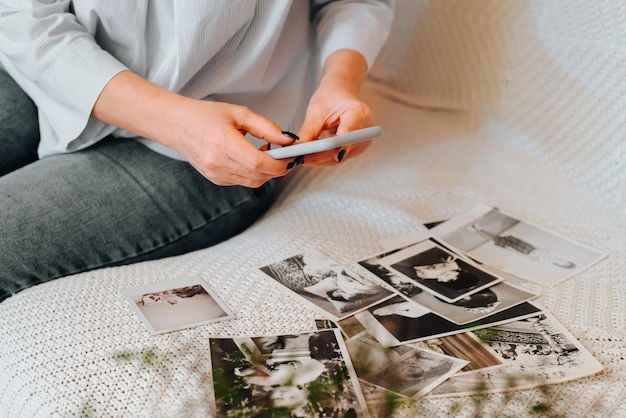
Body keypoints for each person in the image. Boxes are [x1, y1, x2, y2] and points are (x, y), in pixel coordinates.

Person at [0, 1, 394, 302]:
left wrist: (339, 83)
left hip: (228, 140)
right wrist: (175, 120)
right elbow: (24, 15)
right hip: (39, 70)